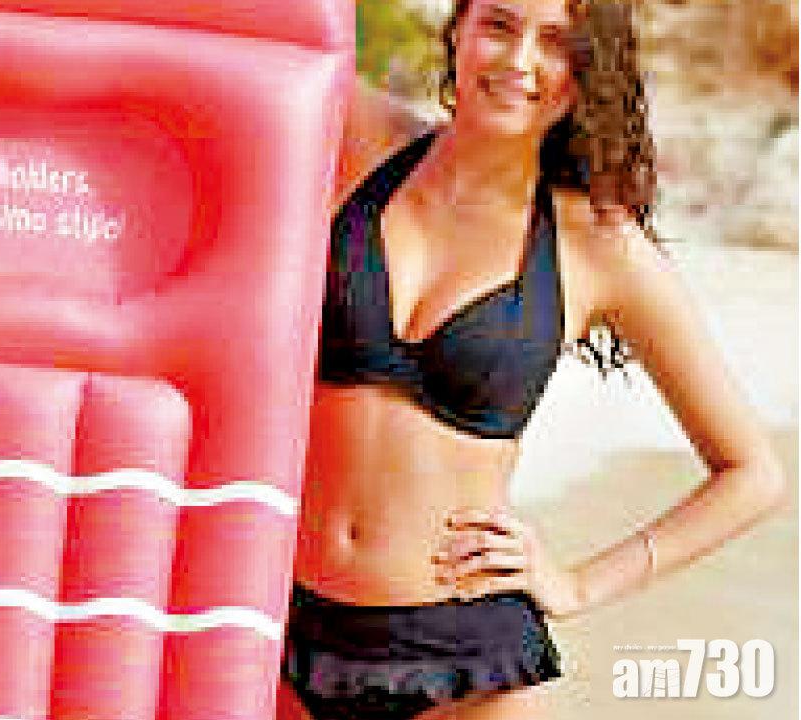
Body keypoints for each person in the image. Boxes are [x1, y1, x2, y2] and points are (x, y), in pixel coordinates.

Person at [278, 1, 788, 718]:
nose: (519, 61)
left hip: (467, 669)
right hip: (285, 628)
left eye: (556, 42)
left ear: (587, 72)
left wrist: (577, 585)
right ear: (458, 28)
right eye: (499, 25)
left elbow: (753, 474)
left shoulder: (597, 245)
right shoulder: (364, 139)